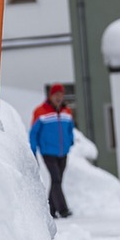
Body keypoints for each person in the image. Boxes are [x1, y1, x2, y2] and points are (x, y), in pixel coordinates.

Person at [29, 83, 75, 218]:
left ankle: (51, 210)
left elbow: (70, 129)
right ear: (51, 96)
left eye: (61, 95)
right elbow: (33, 133)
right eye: (56, 95)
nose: (59, 98)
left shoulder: (67, 111)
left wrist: (70, 141)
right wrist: (33, 150)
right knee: (56, 179)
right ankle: (63, 210)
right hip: (48, 151)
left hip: (63, 152)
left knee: (58, 181)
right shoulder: (40, 111)